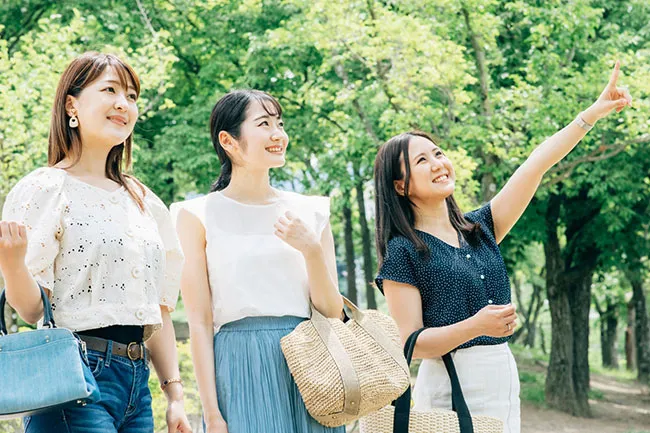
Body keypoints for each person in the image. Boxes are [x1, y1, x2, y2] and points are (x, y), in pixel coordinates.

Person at [373, 62, 632, 432]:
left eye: (439, 153)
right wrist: (475, 325)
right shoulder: (404, 250)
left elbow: (535, 165)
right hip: (450, 388)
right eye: (422, 160)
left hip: (502, 378)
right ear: (401, 186)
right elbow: (410, 343)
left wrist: (592, 112)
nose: (438, 163)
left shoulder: (480, 229)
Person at [0, 52, 192, 433]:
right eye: (110, 90)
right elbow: (32, 310)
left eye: (132, 96)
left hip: (138, 385)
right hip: (74, 378)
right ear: (72, 104)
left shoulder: (143, 199)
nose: (124, 103)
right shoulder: (45, 188)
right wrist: (12, 264)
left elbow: (159, 309)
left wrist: (175, 396)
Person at [172, 89, 344, 433]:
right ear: (229, 141)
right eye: (264, 124)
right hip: (239, 362)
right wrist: (212, 414)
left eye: (279, 123)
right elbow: (200, 322)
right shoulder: (196, 215)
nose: (278, 134)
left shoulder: (311, 211)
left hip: (311, 362)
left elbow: (332, 310)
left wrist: (310, 250)